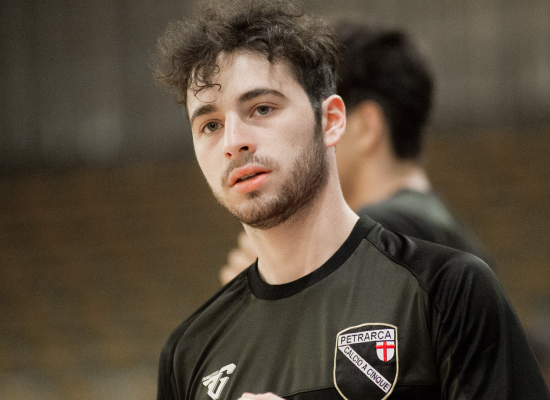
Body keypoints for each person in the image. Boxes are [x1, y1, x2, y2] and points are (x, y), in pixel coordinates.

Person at [153, 0, 550, 399]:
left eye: (261, 108)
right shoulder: (187, 353)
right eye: (210, 125)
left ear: (331, 120)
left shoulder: (449, 288)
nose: (233, 141)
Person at [219, 21, 492, 285]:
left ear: (365, 127)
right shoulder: (456, 237)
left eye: (325, 119)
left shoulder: (377, 234)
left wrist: (271, 291)